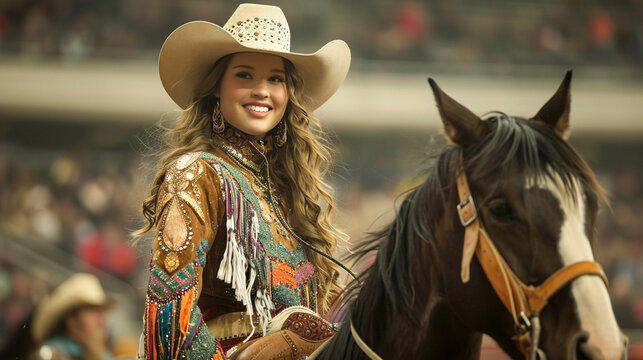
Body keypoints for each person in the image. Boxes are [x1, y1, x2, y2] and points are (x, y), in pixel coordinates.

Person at [135, 3, 351, 359]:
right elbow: (169, 319)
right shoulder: (195, 175)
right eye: (245, 75)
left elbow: (321, 305)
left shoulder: (289, 190)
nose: (262, 90)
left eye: (275, 79)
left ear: (288, 93)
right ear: (217, 87)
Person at [30, 273, 113, 360]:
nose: (101, 320)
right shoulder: (52, 355)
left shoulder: (102, 355)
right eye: (93, 311)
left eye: (101, 312)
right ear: (72, 321)